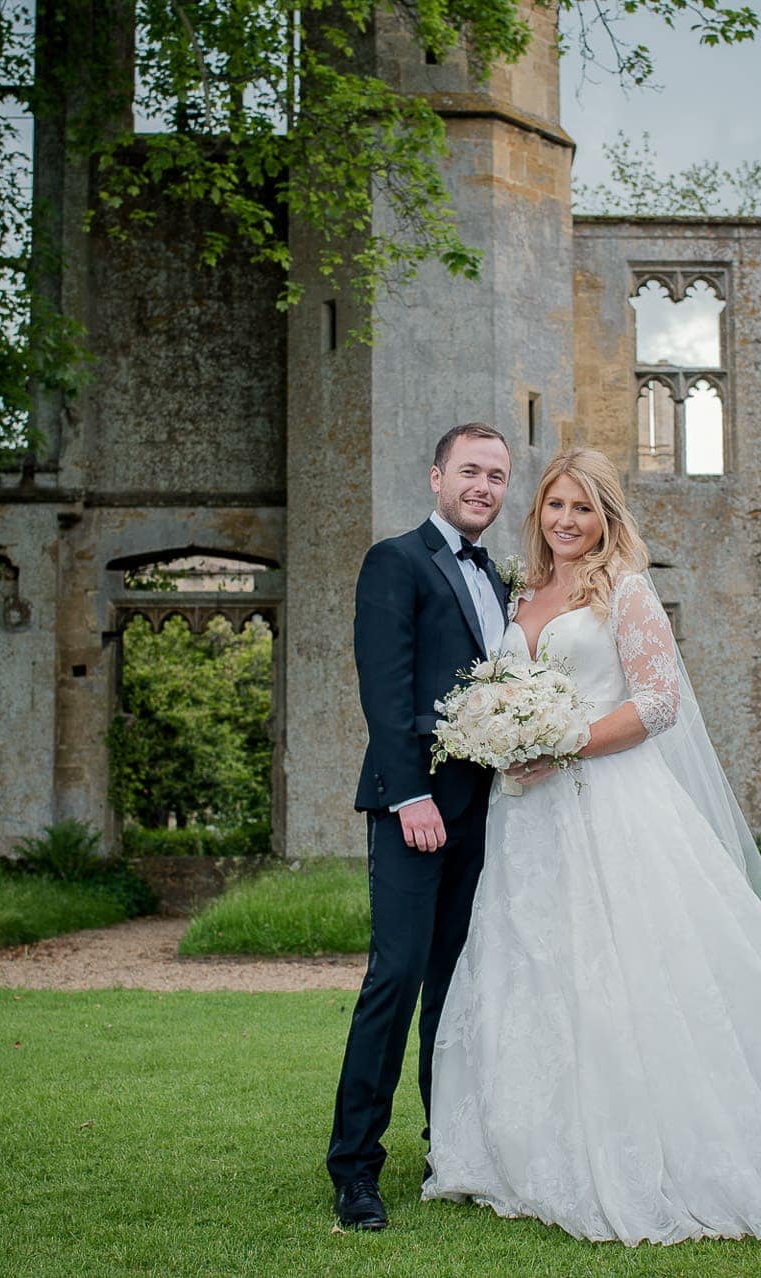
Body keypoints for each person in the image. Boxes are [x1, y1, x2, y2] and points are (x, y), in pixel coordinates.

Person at [422, 447, 761, 1245]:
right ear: (537, 514)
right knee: (534, 970)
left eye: (584, 508)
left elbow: (658, 702)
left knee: (634, 976)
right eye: (555, 506)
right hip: (527, 824)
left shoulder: (627, 591)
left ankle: (668, 1149)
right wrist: (503, 735)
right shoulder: (525, 590)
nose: (568, 521)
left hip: (608, 807)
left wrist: (563, 739)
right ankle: (519, 1151)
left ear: (608, 516)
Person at [327, 422, 514, 1231]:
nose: (483, 486)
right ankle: (356, 1171)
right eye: (469, 470)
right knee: (395, 981)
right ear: (436, 476)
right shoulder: (394, 561)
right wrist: (410, 798)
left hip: (486, 813)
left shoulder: (500, 579)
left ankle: (452, 1146)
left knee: (458, 989)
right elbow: (386, 686)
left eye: (497, 476)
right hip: (417, 811)